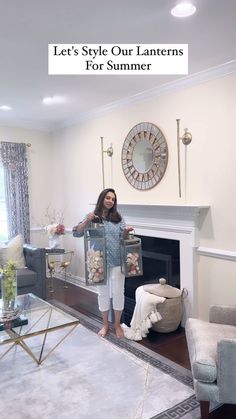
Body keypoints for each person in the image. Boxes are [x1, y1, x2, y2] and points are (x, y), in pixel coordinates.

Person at [72, 188, 133, 339]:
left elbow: (123, 238)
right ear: (102, 199)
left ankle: (117, 324)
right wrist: (87, 220)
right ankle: (105, 324)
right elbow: (77, 232)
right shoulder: (92, 217)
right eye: (108, 198)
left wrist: (126, 232)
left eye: (113, 199)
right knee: (103, 293)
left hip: (117, 260)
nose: (110, 201)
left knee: (119, 292)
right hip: (98, 261)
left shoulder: (118, 218)